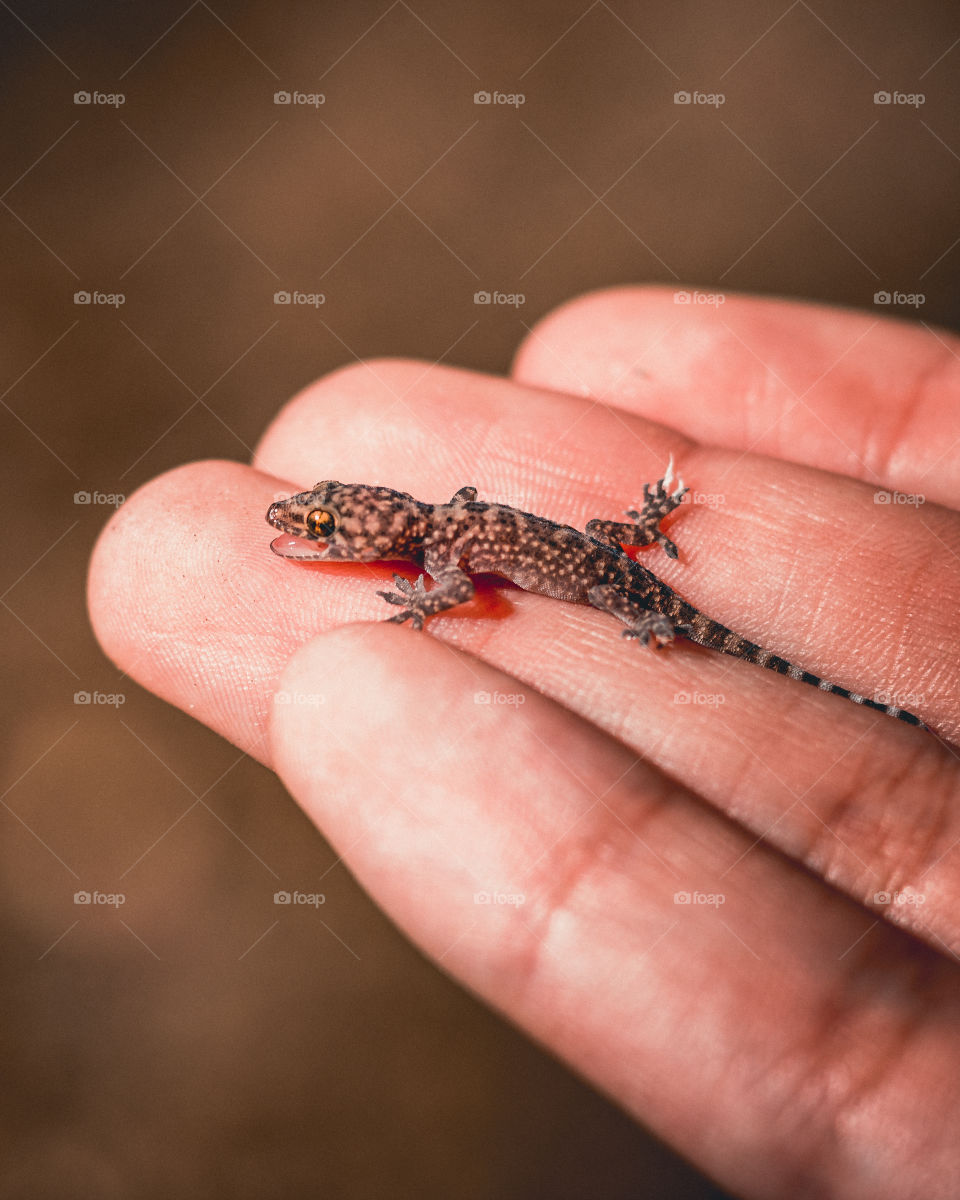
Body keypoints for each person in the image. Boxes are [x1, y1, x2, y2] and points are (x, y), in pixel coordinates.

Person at [89, 286, 960, 1198]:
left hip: (626, 595)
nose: (306, 526)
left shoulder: (444, 560)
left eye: (319, 521)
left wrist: (431, 604)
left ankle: (813, 677)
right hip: (607, 554)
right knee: (618, 556)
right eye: (318, 515)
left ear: (371, 523)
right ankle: (689, 572)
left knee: (723, 644)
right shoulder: (445, 519)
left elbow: (472, 600)